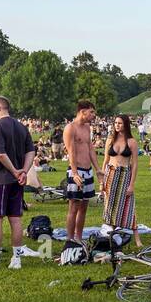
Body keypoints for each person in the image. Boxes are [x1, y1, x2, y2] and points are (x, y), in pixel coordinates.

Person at [0, 95, 35, 272]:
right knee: (16, 219)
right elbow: (31, 151)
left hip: (0, 178)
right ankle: (16, 260)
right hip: (17, 180)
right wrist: (23, 171)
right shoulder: (21, 126)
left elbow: (1, 154)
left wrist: (15, 171)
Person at [62, 101, 99, 244]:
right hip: (76, 171)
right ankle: (70, 238)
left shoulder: (87, 128)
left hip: (88, 171)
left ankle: (79, 237)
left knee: (84, 206)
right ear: (82, 112)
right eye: (91, 112)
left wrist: (97, 169)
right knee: (74, 206)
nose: (93, 115)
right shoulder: (70, 128)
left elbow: (90, 149)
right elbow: (71, 151)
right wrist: (75, 173)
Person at [100, 114, 138, 237]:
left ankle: (135, 232)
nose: (117, 125)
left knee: (127, 204)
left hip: (125, 174)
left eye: (120, 123)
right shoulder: (110, 140)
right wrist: (101, 180)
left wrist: (131, 184)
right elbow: (105, 160)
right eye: (116, 123)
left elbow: (135, 164)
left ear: (126, 125)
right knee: (109, 204)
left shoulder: (131, 142)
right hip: (110, 173)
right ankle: (111, 232)